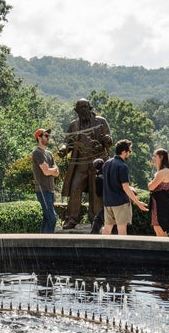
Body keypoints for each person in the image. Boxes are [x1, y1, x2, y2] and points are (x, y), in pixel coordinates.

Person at [57, 98, 113, 229]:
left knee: (96, 192)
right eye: (80, 108)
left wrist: (107, 139)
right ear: (76, 110)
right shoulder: (74, 125)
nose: (83, 110)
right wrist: (64, 149)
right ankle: (72, 219)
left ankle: (96, 219)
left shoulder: (100, 121)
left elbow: (110, 138)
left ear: (90, 108)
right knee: (75, 188)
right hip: (80, 164)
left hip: (97, 163)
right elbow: (68, 142)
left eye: (85, 107)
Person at [101, 139, 148, 235]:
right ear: (123, 152)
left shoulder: (107, 163)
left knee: (107, 228)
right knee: (122, 229)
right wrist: (138, 203)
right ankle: (122, 251)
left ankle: (102, 249)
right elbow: (125, 187)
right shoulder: (122, 166)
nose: (130, 153)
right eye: (129, 151)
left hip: (107, 201)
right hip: (120, 202)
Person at [31, 128, 60, 233]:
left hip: (50, 190)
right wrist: (52, 170)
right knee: (52, 218)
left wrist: (51, 170)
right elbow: (47, 172)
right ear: (39, 138)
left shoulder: (49, 153)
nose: (48, 138)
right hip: (42, 190)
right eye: (46, 136)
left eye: (48, 136)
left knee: (47, 218)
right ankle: (49, 242)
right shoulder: (37, 153)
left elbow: (57, 172)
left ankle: (41, 241)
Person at [148, 148, 169, 237]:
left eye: (155, 156)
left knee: (160, 228)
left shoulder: (163, 172)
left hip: (160, 203)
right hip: (159, 202)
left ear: (161, 157)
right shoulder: (164, 171)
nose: (153, 158)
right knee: (157, 228)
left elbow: (150, 187)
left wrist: (149, 183)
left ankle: (166, 249)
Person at [90, 158, 105, 234]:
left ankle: (93, 236)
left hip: (106, 202)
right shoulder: (108, 174)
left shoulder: (98, 178)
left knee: (97, 219)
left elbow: (98, 193)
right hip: (115, 201)